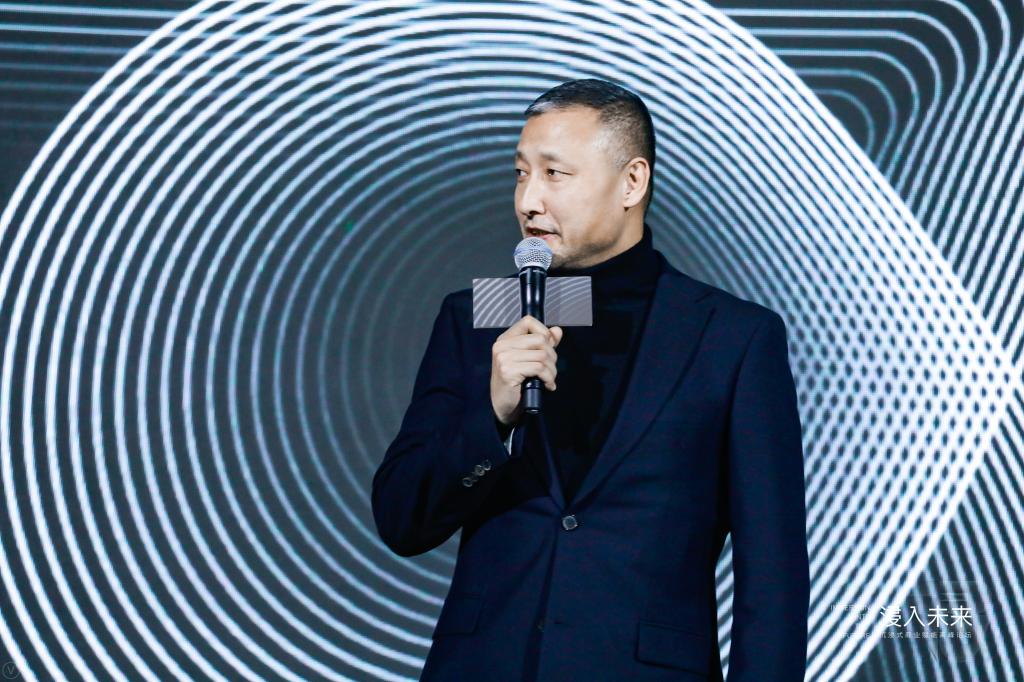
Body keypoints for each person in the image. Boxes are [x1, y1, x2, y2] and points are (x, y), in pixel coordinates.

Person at [372, 78, 810, 681]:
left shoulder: (733, 336)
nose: (529, 200)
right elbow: (401, 519)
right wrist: (490, 415)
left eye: (555, 174)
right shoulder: (477, 316)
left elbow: (773, 574)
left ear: (632, 182)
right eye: (521, 173)